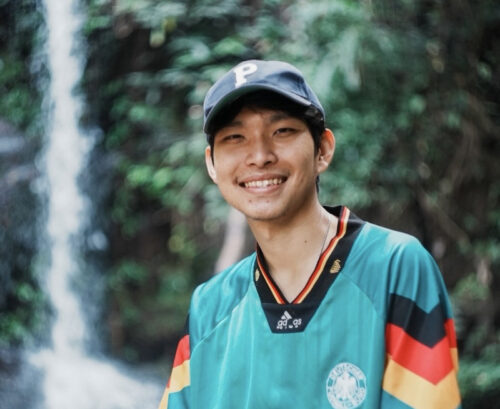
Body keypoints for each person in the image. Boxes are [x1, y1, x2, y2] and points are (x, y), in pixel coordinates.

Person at [158, 60, 461, 409]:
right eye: (235, 137)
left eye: (282, 131)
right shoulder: (209, 307)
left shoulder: (395, 268)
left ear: (323, 150)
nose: (260, 156)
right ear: (212, 164)